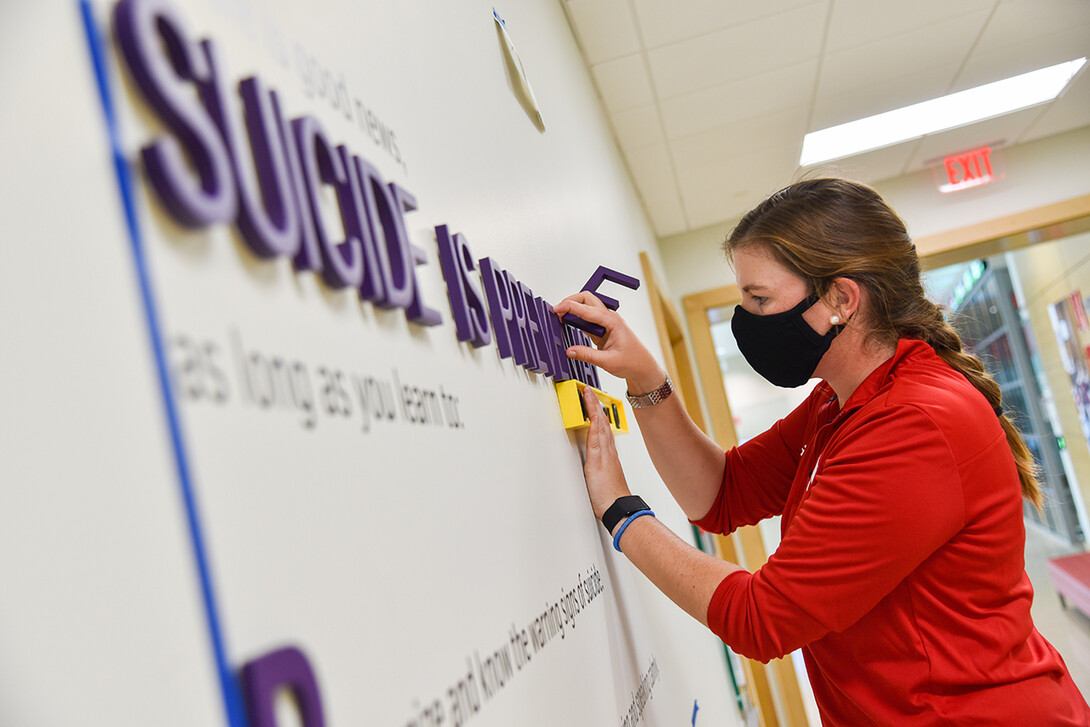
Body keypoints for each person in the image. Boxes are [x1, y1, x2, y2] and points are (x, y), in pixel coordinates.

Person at [554, 178, 1090, 726]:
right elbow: (721, 494)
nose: (747, 318)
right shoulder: (839, 402)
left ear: (840, 299)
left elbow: (761, 619)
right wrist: (647, 379)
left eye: (759, 299)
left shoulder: (914, 423)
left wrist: (622, 512)